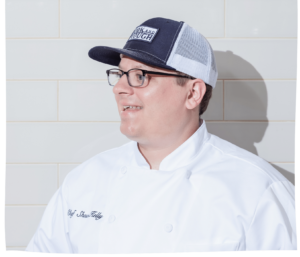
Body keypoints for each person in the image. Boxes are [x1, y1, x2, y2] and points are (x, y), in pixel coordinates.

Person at [25, 17, 297, 254]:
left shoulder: (257, 190)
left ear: (192, 93)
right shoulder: (84, 182)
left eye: (140, 76)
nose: (119, 88)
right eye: (120, 74)